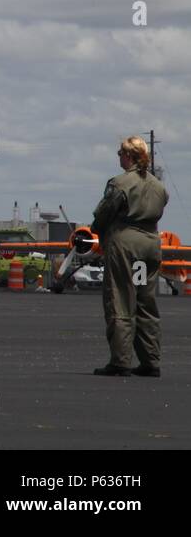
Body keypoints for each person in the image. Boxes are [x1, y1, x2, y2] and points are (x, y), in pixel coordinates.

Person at [92, 136, 167, 377]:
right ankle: (150, 361)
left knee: (121, 298)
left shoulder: (120, 183)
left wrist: (97, 230)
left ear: (129, 156)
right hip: (149, 246)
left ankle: (120, 361)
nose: (118, 157)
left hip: (125, 247)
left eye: (120, 153)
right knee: (145, 300)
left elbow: (104, 213)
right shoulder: (158, 186)